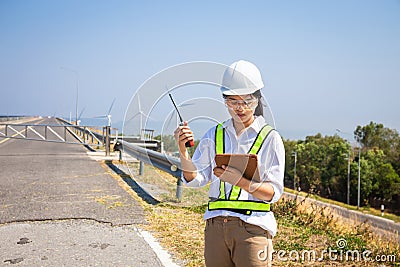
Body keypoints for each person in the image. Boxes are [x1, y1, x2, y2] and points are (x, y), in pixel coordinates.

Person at [174, 60, 285, 267]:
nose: (240, 108)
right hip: (215, 228)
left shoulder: (270, 138)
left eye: (247, 101)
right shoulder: (214, 135)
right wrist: (182, 150)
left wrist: (241, 182)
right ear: (224, 100)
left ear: (258, 99)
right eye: (233, 101)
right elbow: (194, 179)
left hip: (253, 229)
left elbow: (274, 192)